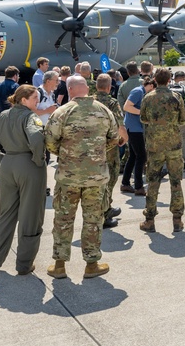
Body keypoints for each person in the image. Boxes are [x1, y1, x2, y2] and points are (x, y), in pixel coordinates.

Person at [44, 75, 119, 279]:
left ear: (69, 90)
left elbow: (49, 141)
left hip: (69, 176)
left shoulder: (62, 112)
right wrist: (95, 153)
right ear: (87, 88)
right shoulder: (104, 111)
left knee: (63, 219)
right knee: (93, 220)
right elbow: (114, 138)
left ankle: (59, 265)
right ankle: (92, 264)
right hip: (96, 177)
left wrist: (67, 154)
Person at [0, 85, 48, 275]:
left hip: (8, 165)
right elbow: (36, 138)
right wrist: (38, 159)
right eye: (35, 98)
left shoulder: (3, 116)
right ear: (24, 100)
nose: (38, 101)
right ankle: (24, 264)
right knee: (31, 217)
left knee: (7, 215)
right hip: (28, 165)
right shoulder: (30, 117)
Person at [140, 68, 185, 232]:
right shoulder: (176, 97)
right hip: (173, 145)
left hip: (155, 146)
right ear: (169, 80)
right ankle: (177, 219)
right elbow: (182, 120)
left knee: (153, 182)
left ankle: (150, 219)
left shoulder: (148, 97)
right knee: (176, 182)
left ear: (155, 79)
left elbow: (143, 118)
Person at [94, 74, 128, 228]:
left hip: (92, 146)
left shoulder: (90, 101)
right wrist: (123, 139)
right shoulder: (112, 103)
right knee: (110, 176)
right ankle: (105, 212)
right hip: (108, 146)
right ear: (109, 87)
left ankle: (104, 208)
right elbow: (120, 125)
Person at [120, 77, 153, 196]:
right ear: (151, 86)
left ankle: (125, 183)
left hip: (135, 127)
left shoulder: (141, 92)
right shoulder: (138, 91)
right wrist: (143, 113)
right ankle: (138, 186)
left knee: (133, 156)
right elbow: (127, 106)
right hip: (133, 128)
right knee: (141, 156)